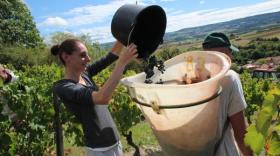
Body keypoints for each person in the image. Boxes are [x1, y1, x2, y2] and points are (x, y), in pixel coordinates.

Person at [52, 39, 138, 156]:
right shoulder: (64, 87)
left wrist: (124, 35)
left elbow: (110, 56)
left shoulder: (85, 74)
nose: (88, 58)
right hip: (100, 150)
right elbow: (102, 98)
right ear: (66, 57)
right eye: (83, 55)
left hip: (114, 142)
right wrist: (122, 63)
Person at [202, 32, 253, 156]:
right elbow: (241, 133)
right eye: (230, 52)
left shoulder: (192, 80)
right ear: (223, 53)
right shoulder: (230, 78)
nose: (232, 56)